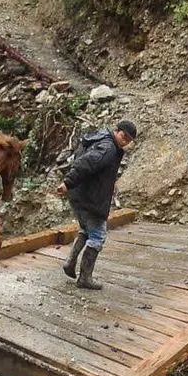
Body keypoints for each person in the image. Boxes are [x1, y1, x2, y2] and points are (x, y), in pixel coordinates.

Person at [55, 119, 137, 290]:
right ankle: (85, 278)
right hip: (90, 199)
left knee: (86, 230)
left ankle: (70, 263)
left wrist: (70, 185)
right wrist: (68, 182)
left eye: (128, 140)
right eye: (124, 136)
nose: (125, 141)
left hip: (79, 195)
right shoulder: (108, 148)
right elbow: (86, 164)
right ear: (116, 130)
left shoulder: (98, 138)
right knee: (98, 236)